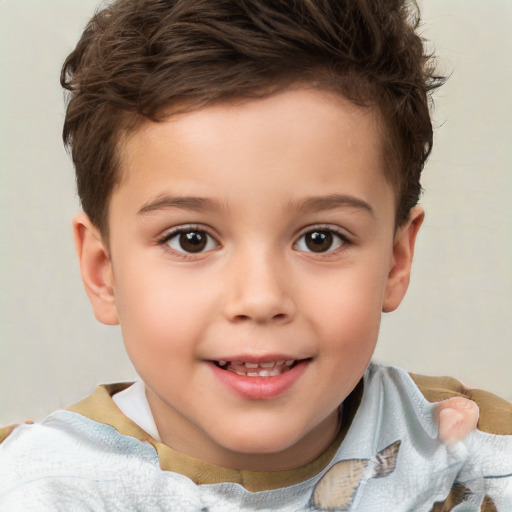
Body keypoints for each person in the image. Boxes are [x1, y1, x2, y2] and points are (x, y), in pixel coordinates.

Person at [0, 0, 510, 510]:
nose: (261, 298)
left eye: (320, 239)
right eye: (191, 239)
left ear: (396, 260)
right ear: (103, 271)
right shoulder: (37, 488)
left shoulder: (476, 450)